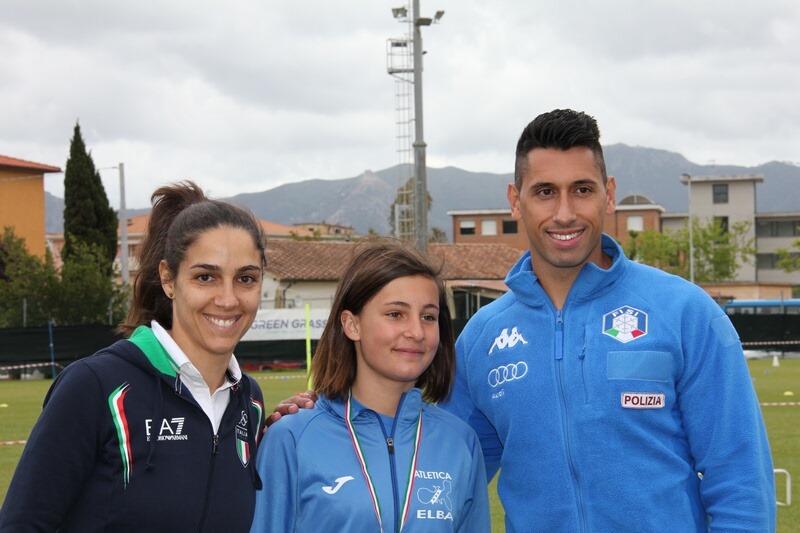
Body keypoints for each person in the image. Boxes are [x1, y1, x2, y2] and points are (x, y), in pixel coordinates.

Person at [270, 109, 777, 532]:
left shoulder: (685, 314)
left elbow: (741, 481)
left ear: (609, 193)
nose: (564, 213)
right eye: (544, 192)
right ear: (515, 200)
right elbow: (433, 455)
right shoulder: (483, 339)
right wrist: (321, 418)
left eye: (582, 190)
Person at [0, 181, 268, 532]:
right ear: (168, 279)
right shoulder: (95, 387)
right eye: (206, 277)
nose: (229, 299)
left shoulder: (251, 403)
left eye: (246, 279)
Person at [251, 238, 490, 532]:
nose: (416, 331)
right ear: (352, 324)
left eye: (428, 317)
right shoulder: (291, 438)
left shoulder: (460, 442)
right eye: (395, 314)